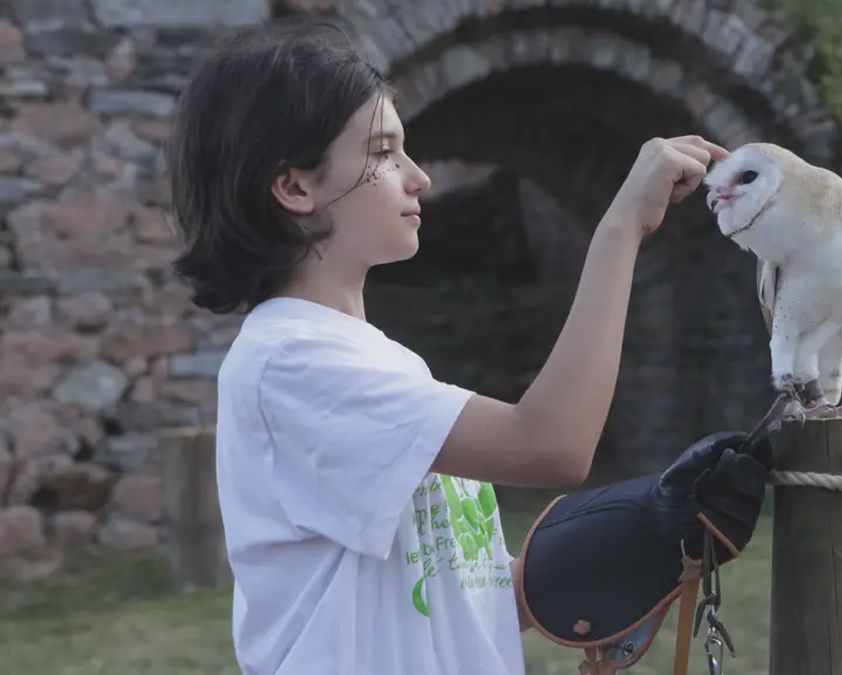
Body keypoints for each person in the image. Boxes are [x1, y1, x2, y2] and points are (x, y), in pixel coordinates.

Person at [166, 15, 735, 675]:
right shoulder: (288, 362)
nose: (418, 177)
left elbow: (454, 587)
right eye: (382, 152)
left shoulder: (378, 361)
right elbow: (551, 442)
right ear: (295, 186)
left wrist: (645, 533)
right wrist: (619, 228)